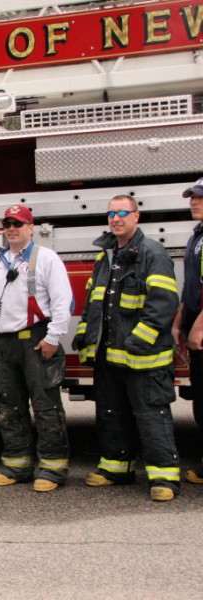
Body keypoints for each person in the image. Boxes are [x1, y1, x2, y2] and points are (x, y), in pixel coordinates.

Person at [75, 195, 181, 501]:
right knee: (111, 412)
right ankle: (116, 468)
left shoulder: (152, 252)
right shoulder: (105, 257)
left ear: (137, 217)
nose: (116, 218)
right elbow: (94, 304)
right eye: (111, 213)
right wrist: (85, 338)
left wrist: (139, 340)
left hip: (143, 357)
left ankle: (163, 478)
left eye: (123, 212)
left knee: (150, 415)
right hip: (109, 356)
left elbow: (164, 302)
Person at [0, 204, 73, 493]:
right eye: (8, 224)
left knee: (45, 405)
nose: (12, 229)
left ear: (31, 228)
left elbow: (63, 301)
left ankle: (53, 469)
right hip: (4, 345)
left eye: (18, 224)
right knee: (10, 406)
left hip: (36, 341)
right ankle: (17, 465)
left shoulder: (46, 259)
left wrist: (53, 338)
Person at [174, 178, 203, 485]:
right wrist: (181, 318)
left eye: (199, 197)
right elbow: (193, 284)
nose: (193, 201)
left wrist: (198, 327)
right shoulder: (197, 236)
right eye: (192, 197)